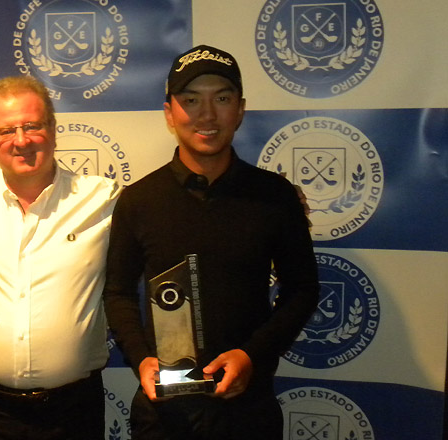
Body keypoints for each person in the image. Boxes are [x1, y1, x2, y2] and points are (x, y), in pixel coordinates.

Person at [102, 45, 320, 439]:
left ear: (240, 108)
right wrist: (142, 360)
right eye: (191, 100)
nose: (207, 114)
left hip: (247, 410)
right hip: (163, 414)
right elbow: (117, 292)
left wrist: (251, 356)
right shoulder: (139, 200)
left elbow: (302, 289)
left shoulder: (275, 196)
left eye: (221, 98)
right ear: (170, 112)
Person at [0, 76, 119, 440]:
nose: (21, 141)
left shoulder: (102, 199)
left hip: (74, 412)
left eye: (32, 126)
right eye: (5, 131)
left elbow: (163, 227)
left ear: (53, 127)